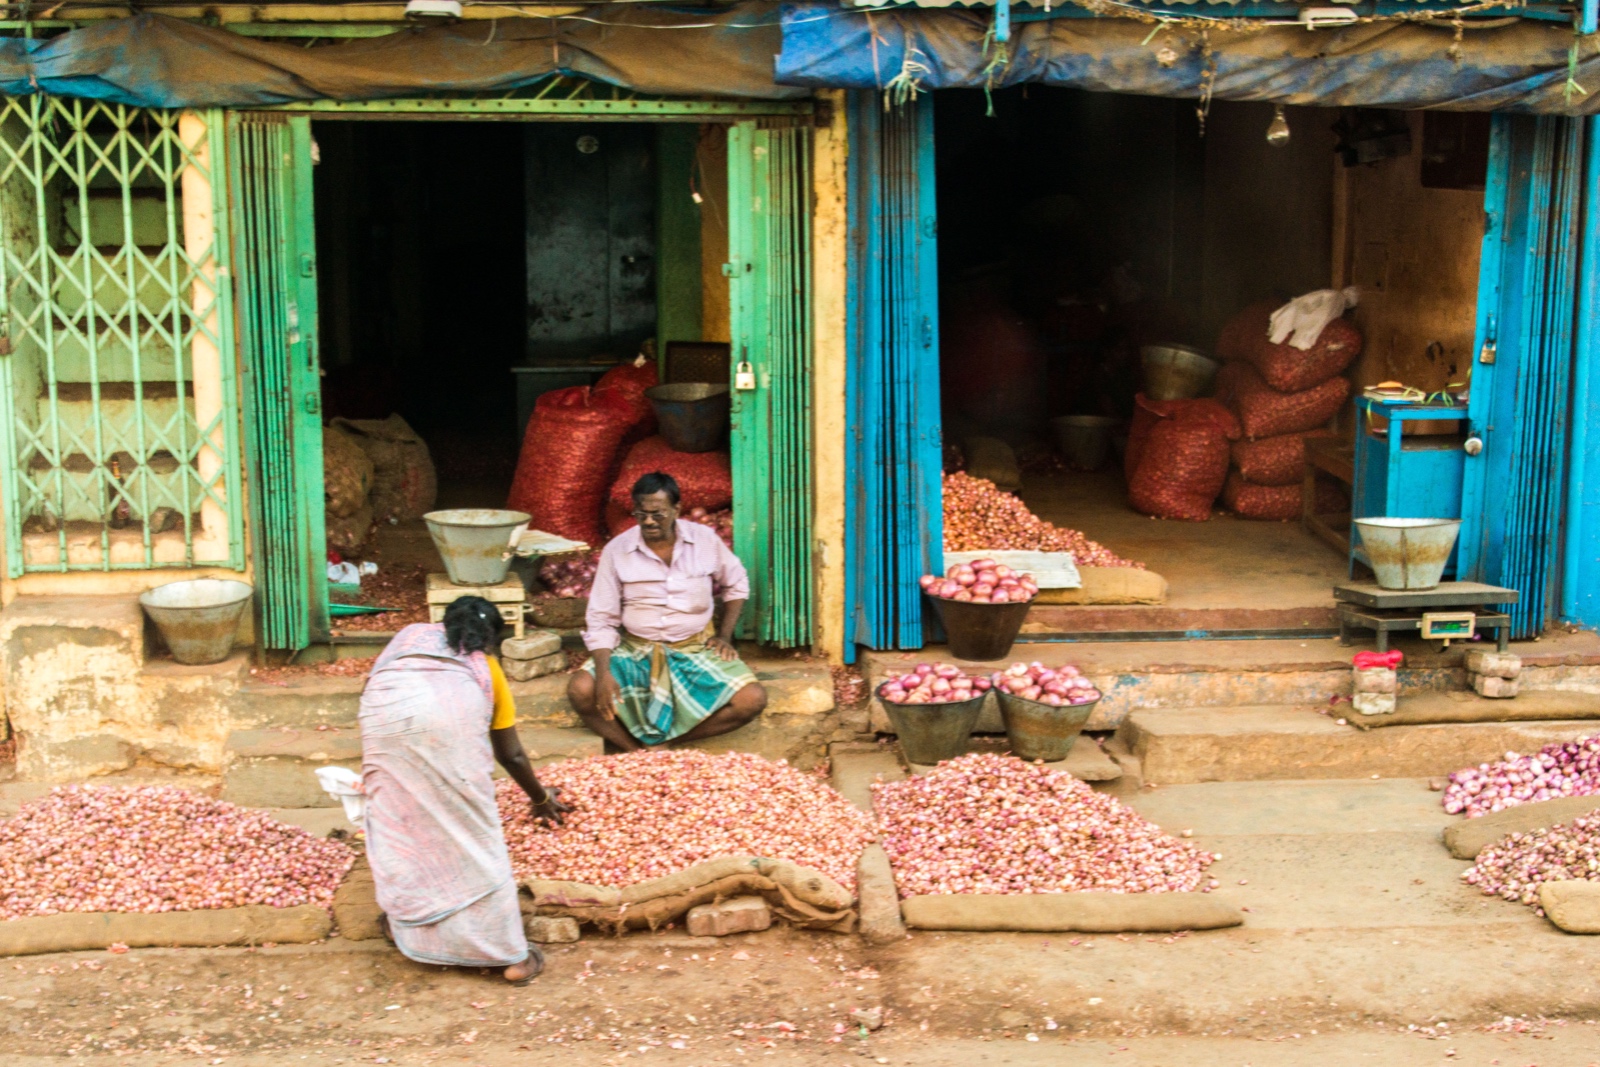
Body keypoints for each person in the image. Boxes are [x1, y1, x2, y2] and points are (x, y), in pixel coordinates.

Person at [359, 597, 570, 985]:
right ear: (490, 640)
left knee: (400, 823)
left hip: (384, 727)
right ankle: (511, 955)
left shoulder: (408, 638)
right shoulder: (484, 666)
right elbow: (513, 755)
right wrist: (541, 799)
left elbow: (374, 682)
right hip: (436, 733)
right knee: (473, 835)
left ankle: (404, 925)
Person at [566, 471, 767, 751]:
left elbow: (737, 583)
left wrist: (724, 636)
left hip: (693, 649)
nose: (648, 521)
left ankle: (667, 744)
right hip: (636, 650)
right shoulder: (618, 550)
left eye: (657, 514)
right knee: (581, 690)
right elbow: (601, 617)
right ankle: (637, 753)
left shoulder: (704, 540)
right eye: (641, 513)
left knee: (752, 699)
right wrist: (603, 673)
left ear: (676, 510)